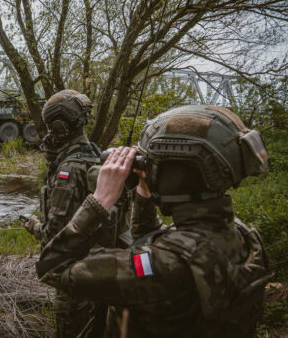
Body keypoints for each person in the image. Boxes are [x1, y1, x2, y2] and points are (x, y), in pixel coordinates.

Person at [36, 105, 272, 337]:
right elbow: (151, 241)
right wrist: (144, 193)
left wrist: (100, 200)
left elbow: (52, 268)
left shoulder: (160, 266)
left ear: (169, 173)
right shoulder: (241, 236)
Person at [22, 89, 132, 338]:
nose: (48, 132)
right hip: (105, 269)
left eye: (51, 127)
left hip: (75, 278)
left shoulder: (69, 170)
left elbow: (55, 235)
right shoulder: (98, 156)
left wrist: (34, 225)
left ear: (60, 126)